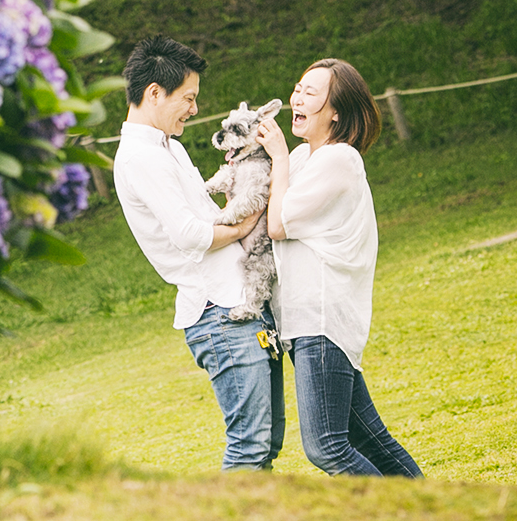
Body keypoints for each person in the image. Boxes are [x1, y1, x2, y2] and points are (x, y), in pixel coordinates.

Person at [112, 35, 282, 471]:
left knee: (265, 444)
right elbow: (190, 234)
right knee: (250, 446)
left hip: (237, 301)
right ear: (154, 93)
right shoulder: (139, 158)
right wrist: (246, 223)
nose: (194, 109)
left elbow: (206, 213)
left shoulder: (169, 148)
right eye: (188, 98)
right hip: (218, 312)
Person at [255, 59, 423, 477]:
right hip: (307, 321)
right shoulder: (302, 157)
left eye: (310, 93)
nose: (297, 97)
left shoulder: (338, 160)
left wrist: (277, 157)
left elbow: (277, 224)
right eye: (298, 88)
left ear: (336, 111)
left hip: (323, 320)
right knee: (371, 440)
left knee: (326, 447)